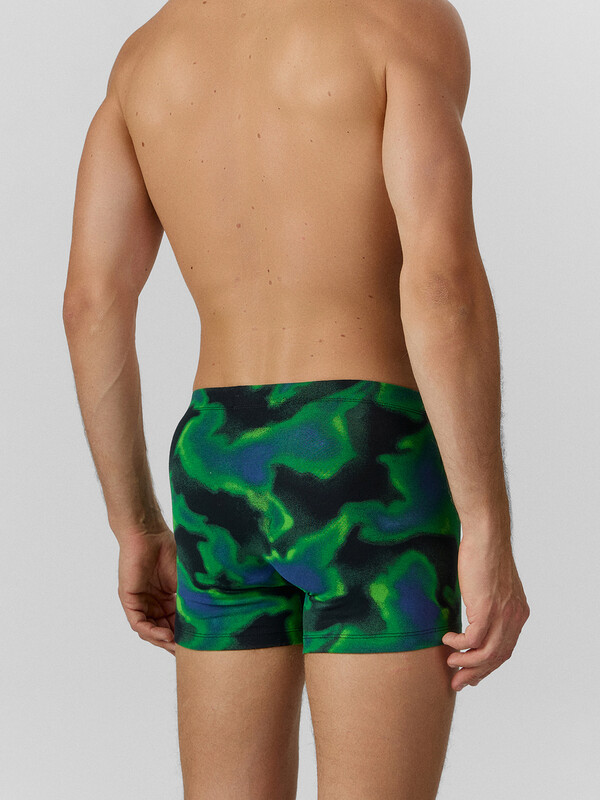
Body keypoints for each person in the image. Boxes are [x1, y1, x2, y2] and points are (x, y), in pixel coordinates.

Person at [62, 0, 530, 797]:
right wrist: (486, 524)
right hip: (367, 455)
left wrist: (134, 524)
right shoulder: (399, 22)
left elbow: (91, 304)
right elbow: (441, 286)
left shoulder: (145, 57)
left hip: (216, 459)